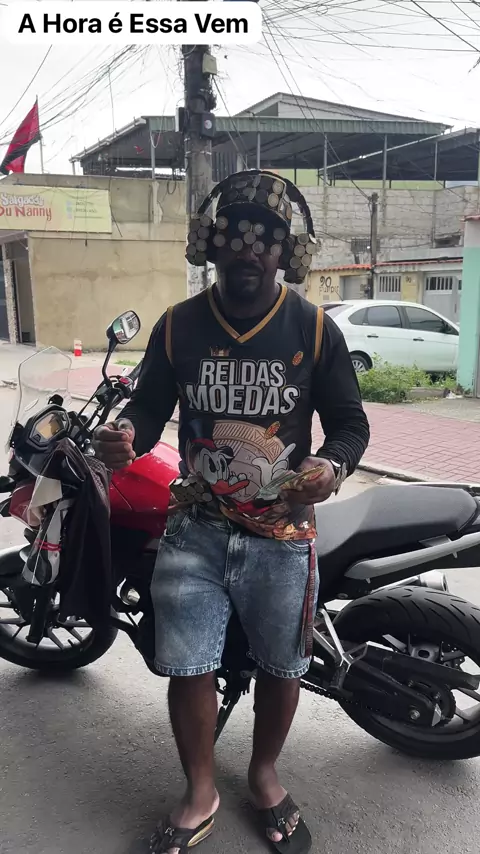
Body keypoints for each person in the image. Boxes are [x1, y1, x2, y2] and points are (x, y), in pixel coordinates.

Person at [93, 170, 370, 854]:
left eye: (266, 238)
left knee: (282, 665)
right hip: (195, 529)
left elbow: (349, 423)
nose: (249, 250)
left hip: (284, 534)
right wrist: (127, 434)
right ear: (209, 243)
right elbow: (148, 406)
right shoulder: (178, 326)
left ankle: (264, 775)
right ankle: (201, 790)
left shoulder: (313, 328)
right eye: (235, 234)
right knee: (188, 665)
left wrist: (331, 466)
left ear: (286, 252)